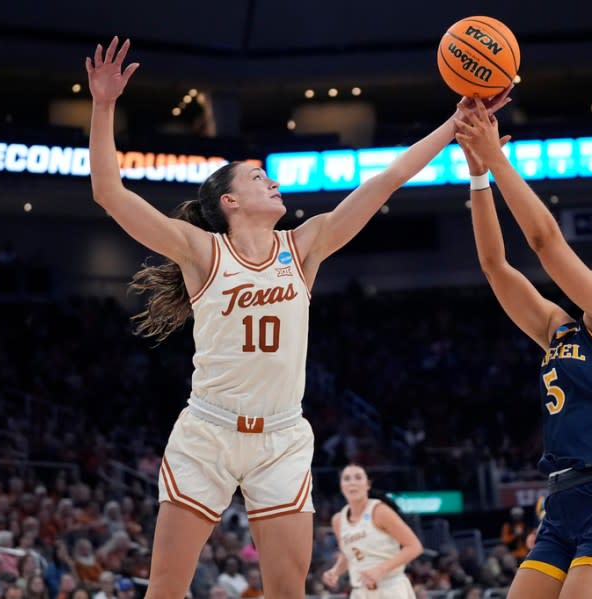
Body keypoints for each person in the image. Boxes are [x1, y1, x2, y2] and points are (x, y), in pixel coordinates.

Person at [85, 36, 511, 599]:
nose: (273, 181)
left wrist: (453, 123)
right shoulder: (202, 251)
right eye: (258, 178)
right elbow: (109, 193)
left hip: (283, 437)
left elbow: (384, 181)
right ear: (230, 202)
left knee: (289, 590)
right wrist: (104, 105)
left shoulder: (304, 245)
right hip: (208, 430)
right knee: (165, 589)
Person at [455, 100, 592, 599]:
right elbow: (494, 265)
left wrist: (499, 157)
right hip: (563, 501)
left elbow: (546, 242)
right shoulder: (559, 329)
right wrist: (479, 177)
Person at [322, 465, 423, 598]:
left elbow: (415, 547)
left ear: (367, 484)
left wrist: (381, 569)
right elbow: (349, 554)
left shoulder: (380, 511)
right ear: (341, 486)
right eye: (347, 479)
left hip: (390, 588)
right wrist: (335, 571)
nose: (352, 482)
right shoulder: (338, 520)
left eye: (358, 477)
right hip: (360, 591)